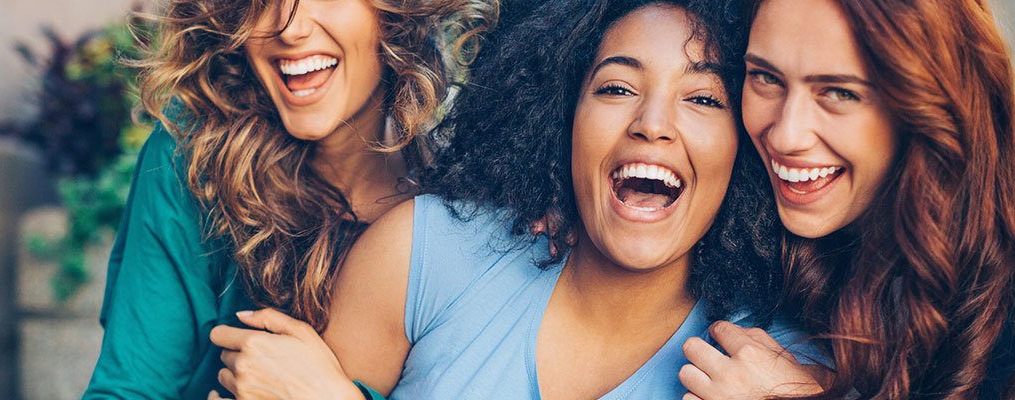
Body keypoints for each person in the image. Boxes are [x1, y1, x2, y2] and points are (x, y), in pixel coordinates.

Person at [208, 1, 827, 398]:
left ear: (745, 148)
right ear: (561, 119)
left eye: (703, 99)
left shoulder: (774, 375)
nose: (652, 123)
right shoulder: (424, 251)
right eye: (616, 87)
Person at [81, 0, 495, 398]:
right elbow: (130, 388)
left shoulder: (468, 211)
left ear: (400, 11)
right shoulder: (193, 160)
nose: (290, 28)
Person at [682, 0, 1015, 398]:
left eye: (839, 92)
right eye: (766, 78)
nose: (786, 136)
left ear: (927, 103)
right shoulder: (743, 219)